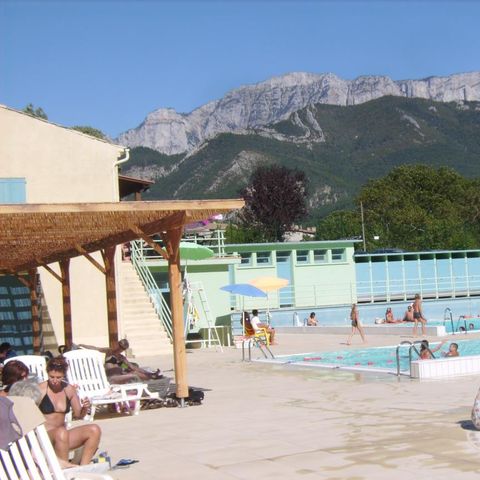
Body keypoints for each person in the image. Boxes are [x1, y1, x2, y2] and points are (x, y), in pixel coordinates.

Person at [38, 356, 101, 465]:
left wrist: (85, 407)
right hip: (46, 437)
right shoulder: (40, 389)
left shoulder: (69, 389)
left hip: (63, 437)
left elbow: (79, 415)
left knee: (94, 429)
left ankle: (84, 467)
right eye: (51, 377)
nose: (54, 381)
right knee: (61, 432)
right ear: (47, 374)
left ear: (64, 375)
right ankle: (64, 468)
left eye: (58, 377)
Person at [78, 339, 162, 384]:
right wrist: (83, 345)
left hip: (120, 377)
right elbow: (96, 348)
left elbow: (132, 367)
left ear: (123, 349)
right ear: (117, 344)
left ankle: (151, 375)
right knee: (134, 373)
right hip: (111, 378)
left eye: (122, 348)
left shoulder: (121, 358)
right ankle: (151, 376)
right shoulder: (109, 352)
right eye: (120, 345)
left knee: (133, 371)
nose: (120, 348)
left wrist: (147, 373)